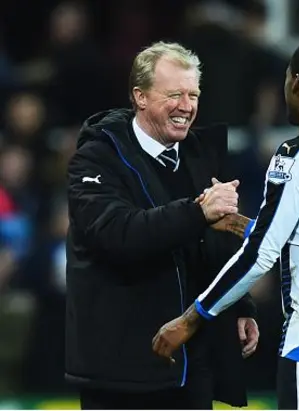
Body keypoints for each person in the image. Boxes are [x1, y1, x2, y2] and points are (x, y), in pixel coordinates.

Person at [152, 37, 299, 410]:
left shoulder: (296, 155)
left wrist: (191, 318)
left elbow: (261, 253)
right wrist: (236, 224)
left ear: (296, 82)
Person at [65, 41, 259, 410]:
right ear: (139, 96)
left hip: (191, 364)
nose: (186, 107)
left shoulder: (200, 154)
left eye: (193, 94)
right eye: (174, 95)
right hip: (121, 368)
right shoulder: (96, 158)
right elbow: (116, 234)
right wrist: (198, 212)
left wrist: (239, 304)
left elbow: (214, 241)